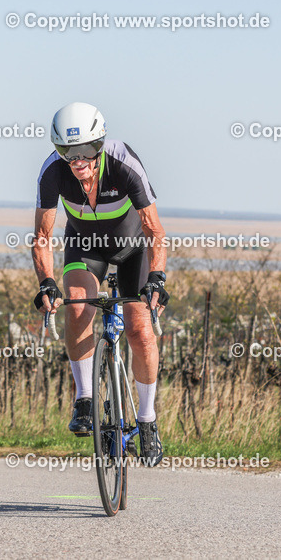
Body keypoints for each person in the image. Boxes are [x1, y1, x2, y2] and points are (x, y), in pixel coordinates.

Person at [32, 102, 168, 467]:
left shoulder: (124, 163)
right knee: (77, 305)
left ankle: (147, 418)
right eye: (67, 152)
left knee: (140, 329)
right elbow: (43, 236)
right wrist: (46, 282)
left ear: (101, 144)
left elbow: (155, 230)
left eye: (87, 151)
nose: (77, 161)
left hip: (132, 248)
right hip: (85, 245)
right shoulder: (51, 173)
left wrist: (157, 277)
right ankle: (86, 398)